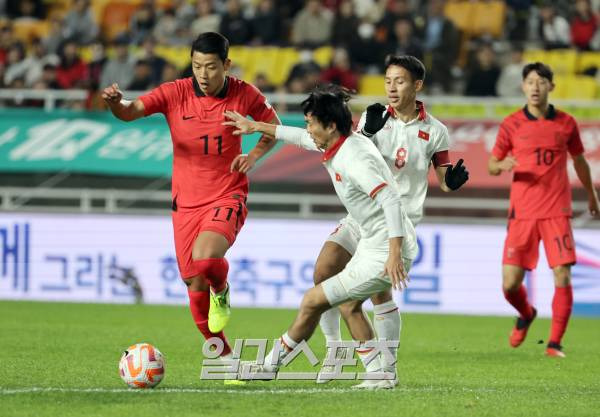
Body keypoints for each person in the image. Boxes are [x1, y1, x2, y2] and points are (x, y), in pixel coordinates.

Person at [101, 32, 280, 380]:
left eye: (211, 67)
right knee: (194, 286)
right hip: (185, 204)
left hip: (227, 193)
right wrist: (114, 103)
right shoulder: (174, 93)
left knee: (208, 259)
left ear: (226, 65)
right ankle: (228, 361)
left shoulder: (245, 93)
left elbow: (272, 127)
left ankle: (222, 290)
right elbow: (130, 111)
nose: (203, 73)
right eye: (197, 65)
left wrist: (254, 155)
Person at [223, 84, 418, 389]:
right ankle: (375, 371)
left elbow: (391, 201)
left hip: (384, 244)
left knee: (322, 301)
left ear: (330, 125)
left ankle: (272, 367)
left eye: (311, 123)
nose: (308, 129)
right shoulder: (336, 141)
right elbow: (299, 138)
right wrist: (255, 126)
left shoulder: (354, 158)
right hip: (368, 232)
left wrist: (394, 253)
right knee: (326, 281)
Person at [315, 55, 468, 385]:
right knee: (323, 272)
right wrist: (367, 131)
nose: (392, 88)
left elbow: (442, 178)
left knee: (376, 295)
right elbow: (354, 154)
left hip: (397, 222)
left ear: (417, 85)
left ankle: (386, 365)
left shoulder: (435, 131)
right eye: (388, 81)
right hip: (361, 214)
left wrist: (450, 182)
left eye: (399, 81)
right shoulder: (373, 117)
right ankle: (334, 351)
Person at [488, 62, 600, 358]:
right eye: (529, 82)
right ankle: (526, 313)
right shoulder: (511, 124)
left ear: (551, 86)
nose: (535, 87)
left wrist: (591, 195)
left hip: (556, 212)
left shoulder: (566, 123)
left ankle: (554, 344)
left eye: (541, 82)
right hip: (522, 213)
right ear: (523, 87)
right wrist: (502, 165)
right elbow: (491, 164)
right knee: (510, 285)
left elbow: (579, 161)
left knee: (562, 274)